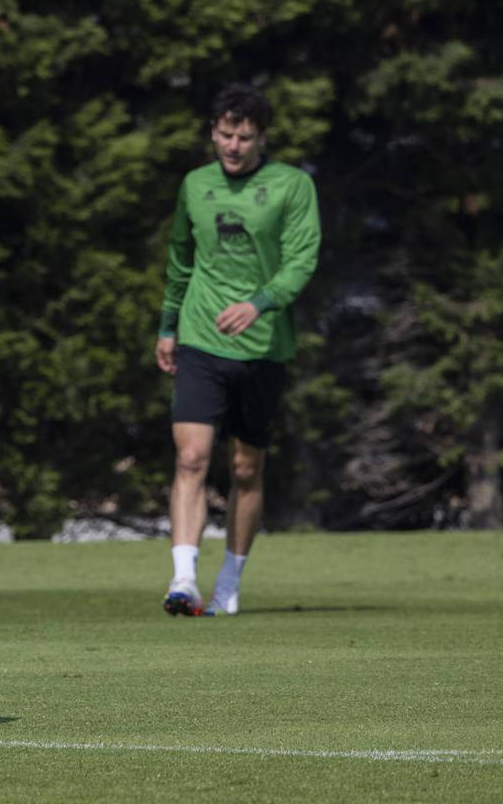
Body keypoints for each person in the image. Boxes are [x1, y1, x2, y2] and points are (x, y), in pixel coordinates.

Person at [155, 83, 320, 617]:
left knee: (246, 469)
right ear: (212, 132)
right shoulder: (195, 185)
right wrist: (167, 325)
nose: (233, 145)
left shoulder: (293, 186)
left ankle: (230, 577)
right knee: (191, 457)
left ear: (262, 138)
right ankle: (183, 580)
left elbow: (300, 261)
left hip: (263, 347)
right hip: (200, 338)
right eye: (225, 134)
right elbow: (181, 259)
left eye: (244, 137)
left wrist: (260, 302)